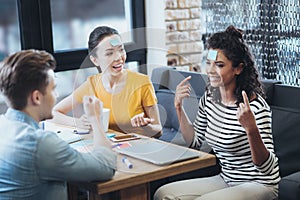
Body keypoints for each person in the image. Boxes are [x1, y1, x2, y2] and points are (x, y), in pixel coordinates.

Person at [154, 26, 280, 200]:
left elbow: (266, 167)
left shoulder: (255, 107)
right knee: (163, 194)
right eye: (208, 63)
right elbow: (195, 143)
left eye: (219, 65)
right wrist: (178, 107)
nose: (210, 70)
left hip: (259, 184)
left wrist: (251, 129)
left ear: (238, 69)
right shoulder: (210, 98)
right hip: (227, 179)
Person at [0, 49, 116, 200]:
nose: (56, 95)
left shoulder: (3, 125)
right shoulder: (40, 143)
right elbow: (106, 167)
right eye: (53, 89)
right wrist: (96, 119)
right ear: (36, 97)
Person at [52, 26, 162, 138]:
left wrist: (145, 126)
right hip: (111, 148)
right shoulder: (92, 85)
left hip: (140, 148)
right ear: (95, 60)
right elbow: (55, 113)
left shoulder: (141, 82)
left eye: (121, 49)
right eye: (110, 53)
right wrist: (80, 123)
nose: (119, 57)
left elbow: (158, 131)